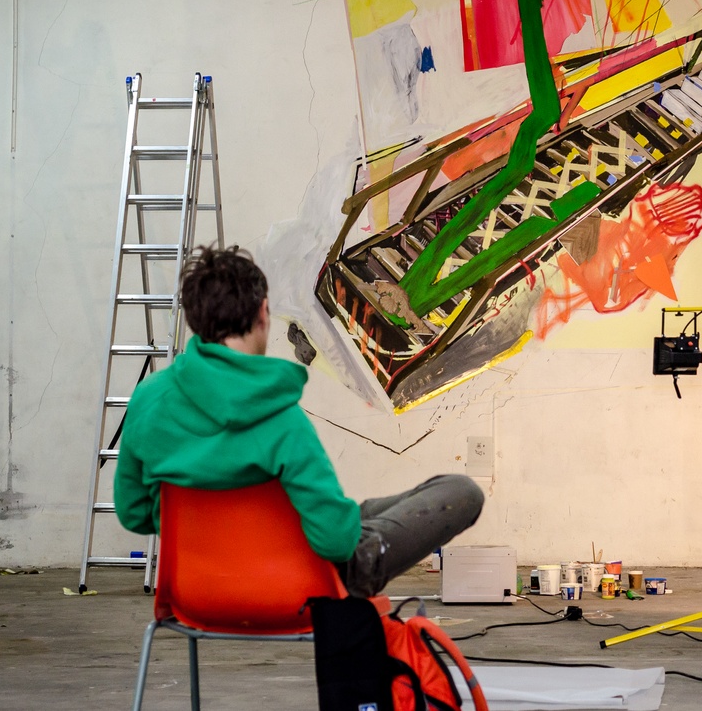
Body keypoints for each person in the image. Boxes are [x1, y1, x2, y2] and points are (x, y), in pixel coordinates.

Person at [113, 244, 484, 597]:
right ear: (263, 313)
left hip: (198, 589)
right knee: (460, 492)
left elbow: (134, 513)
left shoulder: (150, 399)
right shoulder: (278, 417)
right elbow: (336, 543)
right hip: (290, 585)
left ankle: (343, 518)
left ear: (196, 318)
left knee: (359, 512)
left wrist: (210, 530)